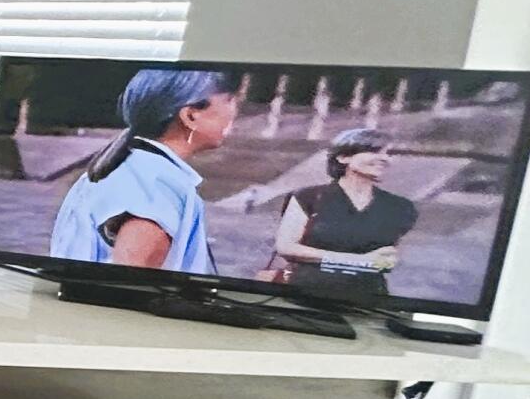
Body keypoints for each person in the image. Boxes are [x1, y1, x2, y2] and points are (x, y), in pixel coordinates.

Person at [46, 67, 239, 272]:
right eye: (228, 100)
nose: (235, 109)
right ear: (190, 116)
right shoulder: (157, 183)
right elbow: (130, 285)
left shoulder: (133, 166)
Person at [267, 127, 416, 300]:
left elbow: (387, 261)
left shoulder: (399, 207)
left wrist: (378, 262)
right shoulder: (308, 197)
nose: (384, 158)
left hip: (368, 303)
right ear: (343, 157)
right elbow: (286, 248)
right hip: (301, 297)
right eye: (373, 151)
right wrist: (359, 261)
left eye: (388, 153)